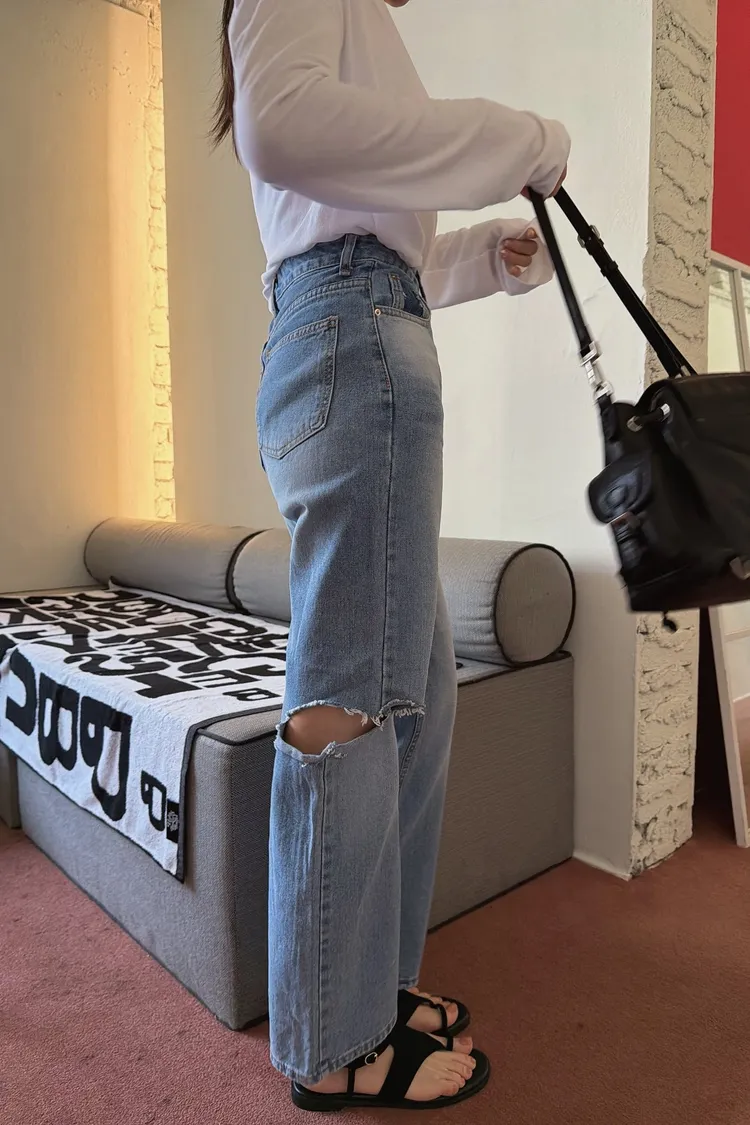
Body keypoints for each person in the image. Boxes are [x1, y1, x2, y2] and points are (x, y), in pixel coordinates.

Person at [214, 0, 569, 1112]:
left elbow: (365, 233)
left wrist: (481, 256)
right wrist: (523, 140)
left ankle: (369, 988)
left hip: (365, 329)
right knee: (354, 697)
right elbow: (285, 130)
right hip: (355, 343)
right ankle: (333, 1043)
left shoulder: (360, 21)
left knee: (415, 694)